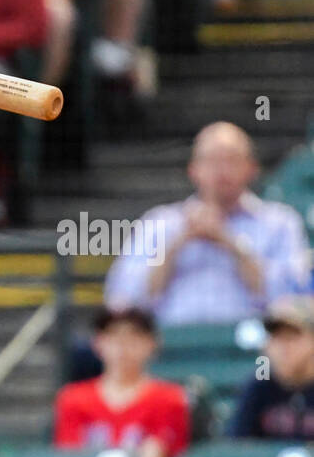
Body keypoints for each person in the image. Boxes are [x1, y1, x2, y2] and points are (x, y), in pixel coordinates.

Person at [105, 122, 311, 327]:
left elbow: (295, 301)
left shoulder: (280, 222)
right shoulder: (160, 222)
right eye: (212, 160)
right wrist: (177, 244)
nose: (222, 171)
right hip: (168, 348)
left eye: (232, 160)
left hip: (257, 350)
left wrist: (230, 242)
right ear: (193, 169)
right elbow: (123, 299)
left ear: (252, 168)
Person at [53, 306, 188, 457]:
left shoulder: (170, 398)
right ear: (98, 343)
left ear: (151, 343)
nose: (122, 346)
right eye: (113, 336)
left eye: (133, 336)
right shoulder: (73, 398)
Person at [228, 296, 314, 441]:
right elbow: (236, 449)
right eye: (276, 338)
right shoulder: (259, 387)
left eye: (291, 337)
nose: (283, 347)